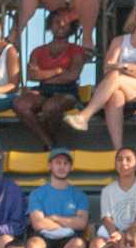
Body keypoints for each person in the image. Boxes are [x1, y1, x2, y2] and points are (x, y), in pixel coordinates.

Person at [64, 0, 136, 150]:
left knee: (116, 75)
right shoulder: (119, 41)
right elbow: (107, 67)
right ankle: (118, 149)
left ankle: (85, 115)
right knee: (115, 95)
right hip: (121, 86)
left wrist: (124, 66)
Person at [11, 10, 91, 147]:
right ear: (50, 25)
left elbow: (72, 76)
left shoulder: (77, 50)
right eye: (56, 22)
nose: (60, 25)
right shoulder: (37, 51)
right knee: (20, 104)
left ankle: (50, 143)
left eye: (65, 23)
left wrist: (44, 75)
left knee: (51, 106)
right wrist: (57, 71)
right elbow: (32, 76)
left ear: (71, 26)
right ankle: (49, 143)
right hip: (43, 91)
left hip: (67, 92)